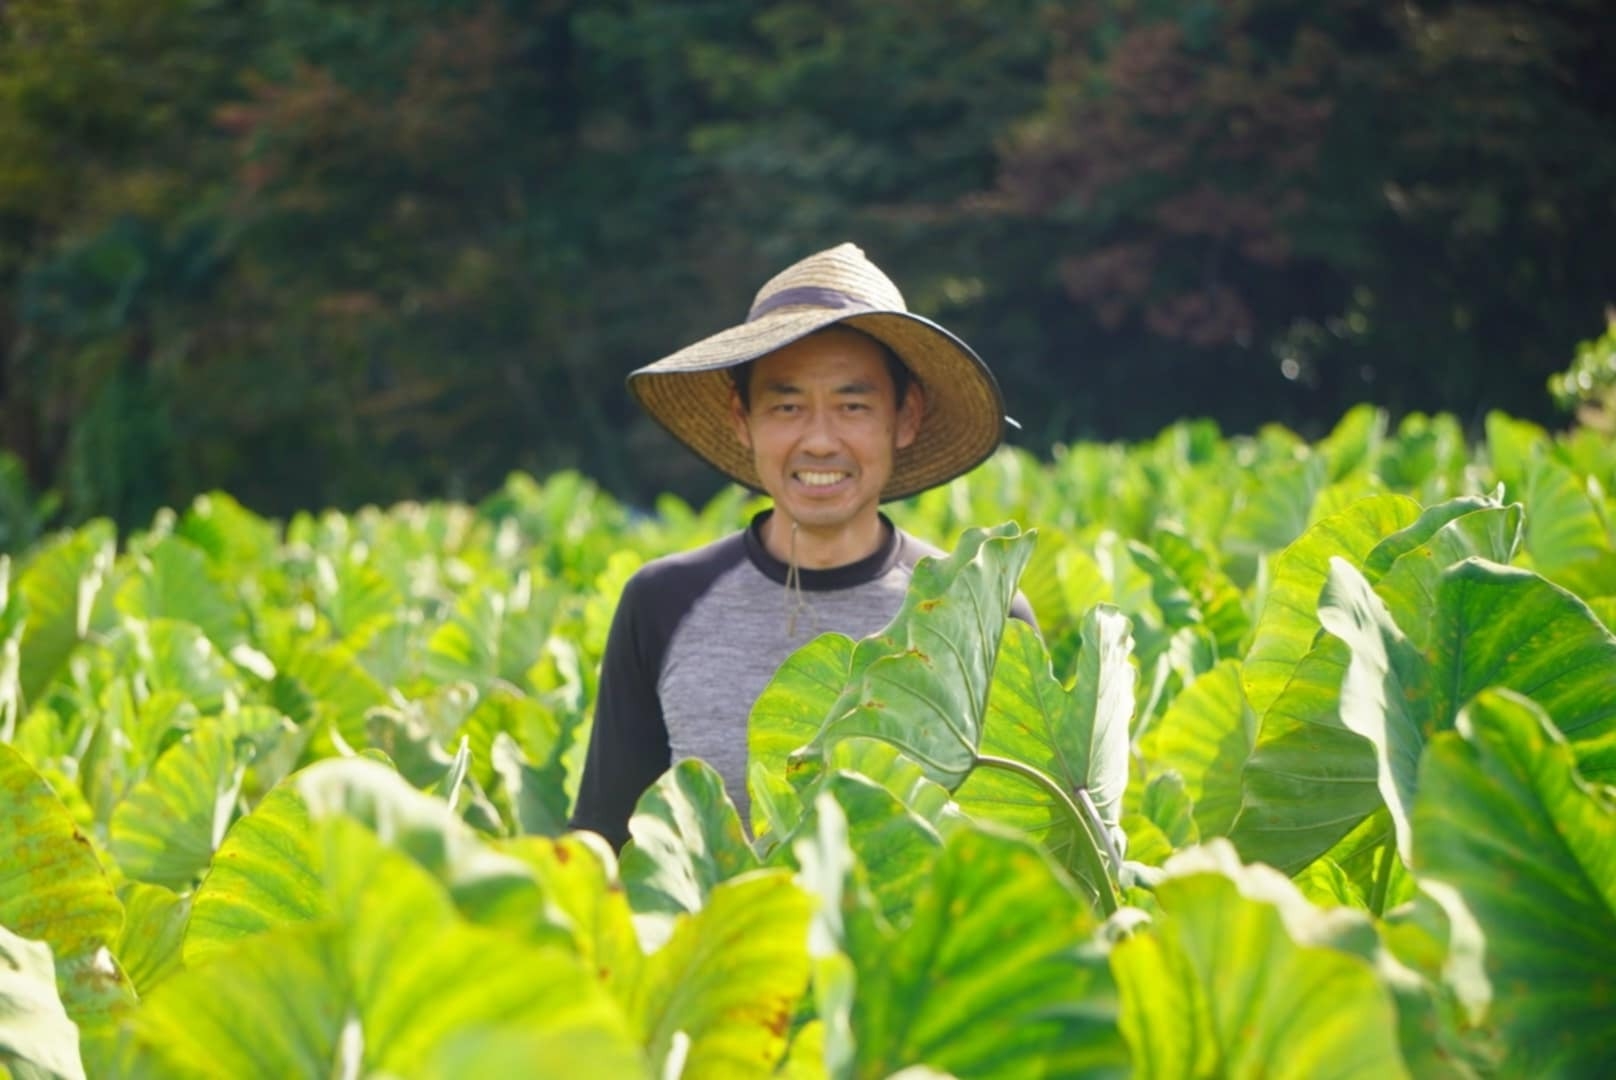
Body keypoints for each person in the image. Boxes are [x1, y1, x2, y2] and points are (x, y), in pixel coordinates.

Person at [568, 242, 1035, 849]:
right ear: (743, 419)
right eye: (787, 406)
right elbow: (605, 847)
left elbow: (1029, 856)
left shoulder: (978, 612)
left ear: (905, 416)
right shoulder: (663, 602)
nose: (819, 440)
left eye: (853, 405)